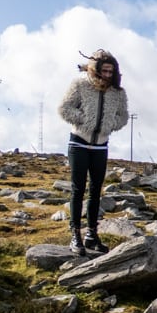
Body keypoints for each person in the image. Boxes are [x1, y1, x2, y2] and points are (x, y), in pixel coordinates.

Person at [58, 49, 129, 255]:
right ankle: (75, 235)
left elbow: (123, 116)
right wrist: (84, 120)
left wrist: (110, 124)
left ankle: (91, 234)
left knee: (96, 190)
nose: (107, 74)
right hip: (79, 142)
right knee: (78, 189)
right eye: (104, 70)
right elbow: (64, 108)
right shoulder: (80, 85)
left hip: (101, 145)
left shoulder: (118, 92)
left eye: (111, 71)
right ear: (96, 69)